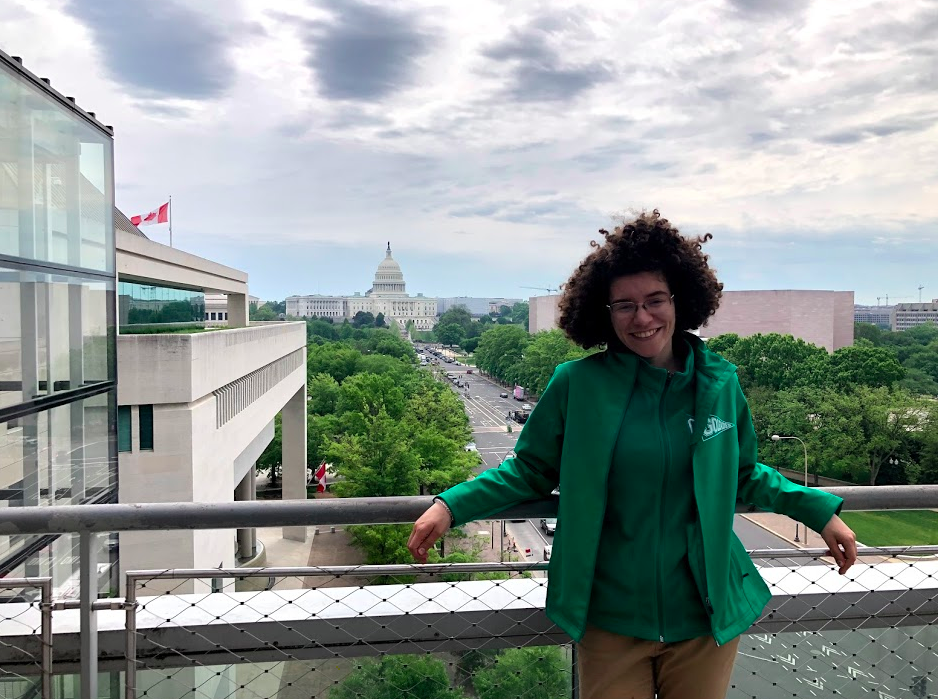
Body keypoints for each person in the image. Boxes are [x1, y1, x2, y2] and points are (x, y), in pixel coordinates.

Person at [407, 210, 858, 699]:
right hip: (611, 616)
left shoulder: (720, 383)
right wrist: (452, 504)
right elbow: (531, 470)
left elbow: (745, 473)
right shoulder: (576, 384)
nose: (641, 318)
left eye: (654, 300)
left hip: (704, 616)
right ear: (604, 313)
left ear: (679, 300)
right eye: (624, 305)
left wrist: (819, 511)